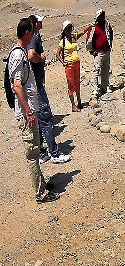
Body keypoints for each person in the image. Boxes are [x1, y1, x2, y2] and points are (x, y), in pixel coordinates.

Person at [7, 17, 54, 202]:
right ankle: (40, 194)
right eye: (33, 32)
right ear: (27, 33)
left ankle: (42, 184)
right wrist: (28, 111)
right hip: (26, 113)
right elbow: (17, 85)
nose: (34, 34)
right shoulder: (18, 55)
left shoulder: (20, 52)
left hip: (29, 110)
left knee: (35, 148)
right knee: (33, 153)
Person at [27, 15, 71, 164]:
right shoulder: (34, 37)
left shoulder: (32, 36)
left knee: (40, 121)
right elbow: (32, 55)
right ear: (35, 24)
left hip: (33, 85)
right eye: (40, 21)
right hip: (37, 86)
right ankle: (55, 153)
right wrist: (42, 58)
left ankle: (42, 152)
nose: (42, 23)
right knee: (46, 119)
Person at [56, 20, 90, 112]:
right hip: (69, 65)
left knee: (77, 82)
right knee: (71, 84)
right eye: (67, 29)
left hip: (76, 63)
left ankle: (79, 102)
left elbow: (82, 32)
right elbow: (58, 54)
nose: (69, 30)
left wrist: (90, 26)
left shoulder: (74, 37)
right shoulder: (63, 41)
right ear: (64, 30)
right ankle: (73, 105)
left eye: (70, 28)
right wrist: (63, 63)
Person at [85, 9, 113, 100]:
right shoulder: (94, 28)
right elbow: (89, 40)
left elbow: (110, 35)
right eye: (101, 15)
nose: (103, 17)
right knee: (96, 71)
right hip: (99, 52)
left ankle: (105, 86)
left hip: (106, 51)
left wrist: (109, 46)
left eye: (103, 15)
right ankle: (95, 89)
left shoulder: (107, 25)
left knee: (106, 69)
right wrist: (92, 51)